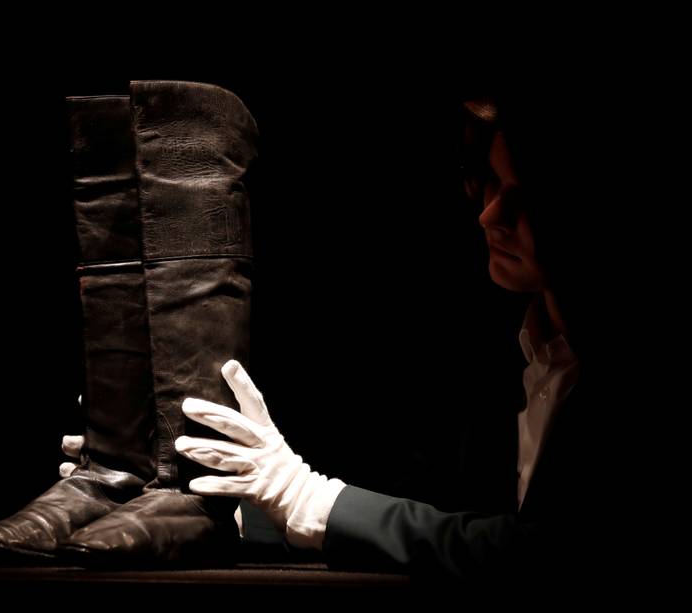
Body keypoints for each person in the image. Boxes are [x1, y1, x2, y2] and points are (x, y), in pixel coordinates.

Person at [60, 91, 619, 588]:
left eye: (525, 200)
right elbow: (443, 507)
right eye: (493, 184)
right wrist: (214, 495)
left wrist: (301, 495)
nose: (490, 216)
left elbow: (549, 556)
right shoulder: (508, 351)